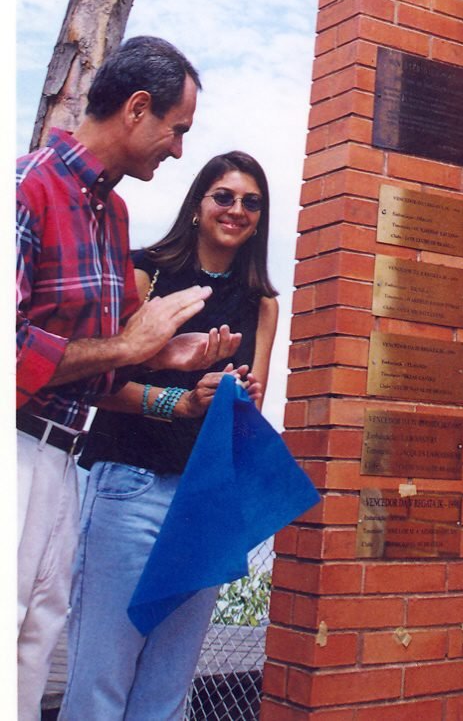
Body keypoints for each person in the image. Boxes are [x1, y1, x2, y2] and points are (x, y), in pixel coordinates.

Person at [16, 35, 238, 721]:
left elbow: (101, 358)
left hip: (63, 463)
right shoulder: (26, 187)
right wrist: (129, 343)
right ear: (138, 108)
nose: (179, 150)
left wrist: (163, 358)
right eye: (177, 130)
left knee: (29, 654)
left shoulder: (110, 211)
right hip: (15, 454)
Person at [58, 150, 280, 721]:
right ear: (198, 204)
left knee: (167, 687)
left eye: (251, 202)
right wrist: (179, 401)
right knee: (102, 675)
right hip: (130, 483)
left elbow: (248, 411)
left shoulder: (261, 303)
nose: (236, 210)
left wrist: (238, 398)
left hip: (204, 499)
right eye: (224, 196)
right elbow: (97, 384)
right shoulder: (145, 273)